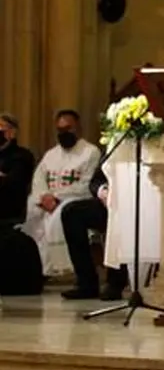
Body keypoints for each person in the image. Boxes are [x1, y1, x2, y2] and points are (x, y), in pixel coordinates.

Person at [21, 110, 102, 277]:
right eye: (60, 130)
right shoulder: (51, 154)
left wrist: (56, 197)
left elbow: (87, 183)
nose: (64, 133)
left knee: (60, 216)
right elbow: (39, 178)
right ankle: (36, 269)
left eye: (68, 128)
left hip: (75, 199)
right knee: (30, 211)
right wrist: (43, 196)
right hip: (48, 201)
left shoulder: (90, 152)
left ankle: (63, 269)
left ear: (79, 128)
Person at [59, 168, 128, 300]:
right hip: (110, 201)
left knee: (118, 219)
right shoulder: (119, 147)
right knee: (72, 212)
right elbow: (97, 179)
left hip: (137, 201)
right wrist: (103, 191)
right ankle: (86, 283)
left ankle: (115, 283)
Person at [0, 113, 35, 227]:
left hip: (9, 213)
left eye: (1, 127)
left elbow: (13, 183)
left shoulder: (22, 156)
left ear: (12, 133)